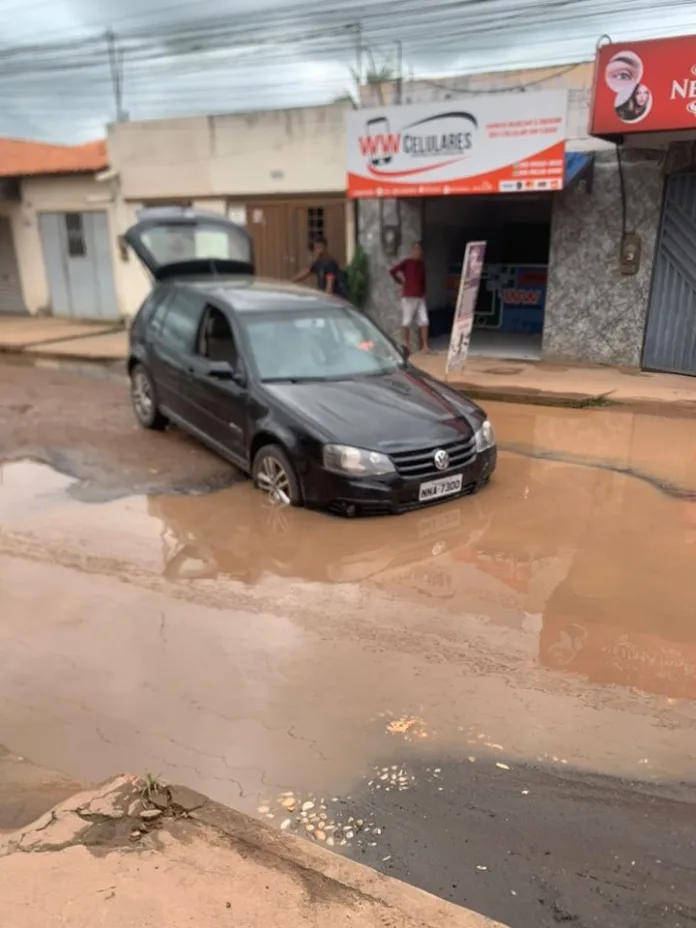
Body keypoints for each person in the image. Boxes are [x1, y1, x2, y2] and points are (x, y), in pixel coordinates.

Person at [390, 241, 428, 353]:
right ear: (412, 251)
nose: (417, 252)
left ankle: (425, 346)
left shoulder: (422, 264)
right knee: (407, 321)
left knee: (424, 321)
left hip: (420, 297)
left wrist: (424, 294)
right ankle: (406, 345)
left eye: (419, 250)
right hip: (408, 296)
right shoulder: (407, 262)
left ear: (422, 252)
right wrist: (400, 281)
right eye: (415, 249)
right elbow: (392, 271)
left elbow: (424, 281)